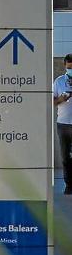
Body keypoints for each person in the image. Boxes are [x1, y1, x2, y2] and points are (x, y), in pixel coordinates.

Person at [54, 53, 72, 194]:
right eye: (69, 68)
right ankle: (68, 185)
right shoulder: (59, 81)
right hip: (63, 124)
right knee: (65, 157)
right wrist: (62, 98)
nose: (70, 70)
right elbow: (52, 102)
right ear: (65, 66)